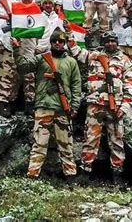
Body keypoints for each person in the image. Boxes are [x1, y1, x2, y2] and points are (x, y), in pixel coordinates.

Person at [65, 24, 132, 184]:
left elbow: (130, 84)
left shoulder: (125, 60)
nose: (110, 43)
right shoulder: (94, 56)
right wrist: (69, 33)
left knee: (117, 140)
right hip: (95, 104)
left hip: (115, 107)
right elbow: (76, 51)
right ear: (103, 43)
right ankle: (85, 172)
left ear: (117, 42)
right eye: (107, 41)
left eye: (113, 41)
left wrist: (124, 106)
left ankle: (117, 175)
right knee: (90, 139)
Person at [13, 30, 82, 180]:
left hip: (63, 109)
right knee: (39, 143)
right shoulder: (41, 58)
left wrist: (75, 106)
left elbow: (76, 86)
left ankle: (70, 176)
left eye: (61, 41)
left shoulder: (71, 62)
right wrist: (16, 49)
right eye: (54, 41)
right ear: (50, 43)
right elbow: (23, 67)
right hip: (43, 106)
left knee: (66, 144)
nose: (57, 43)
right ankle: (32, 174)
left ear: (64, 43)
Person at [19, 0, 38, 113]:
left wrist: (39, 47)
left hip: (31, 48)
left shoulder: (38, 14)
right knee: (14, 77)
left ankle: (29, 104)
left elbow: (44, 32)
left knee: (29, 78)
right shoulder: (16, 12)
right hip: (16, 47)